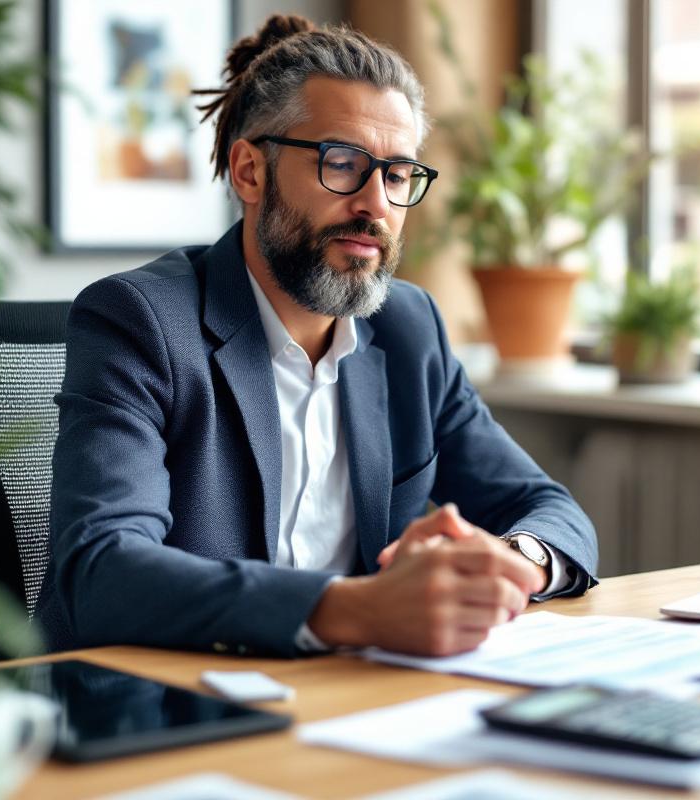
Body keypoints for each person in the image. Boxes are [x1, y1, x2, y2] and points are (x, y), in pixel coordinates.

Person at [34, 15, 598, 658]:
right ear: (250, 171)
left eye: (396, 175)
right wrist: (354, 608)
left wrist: (509, 561)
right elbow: (101, 572)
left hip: (348, 695)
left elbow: (547, 507)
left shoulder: (409, 331)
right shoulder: (139, 320)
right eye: (342, 164)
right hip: (163, 704)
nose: (376, 204)